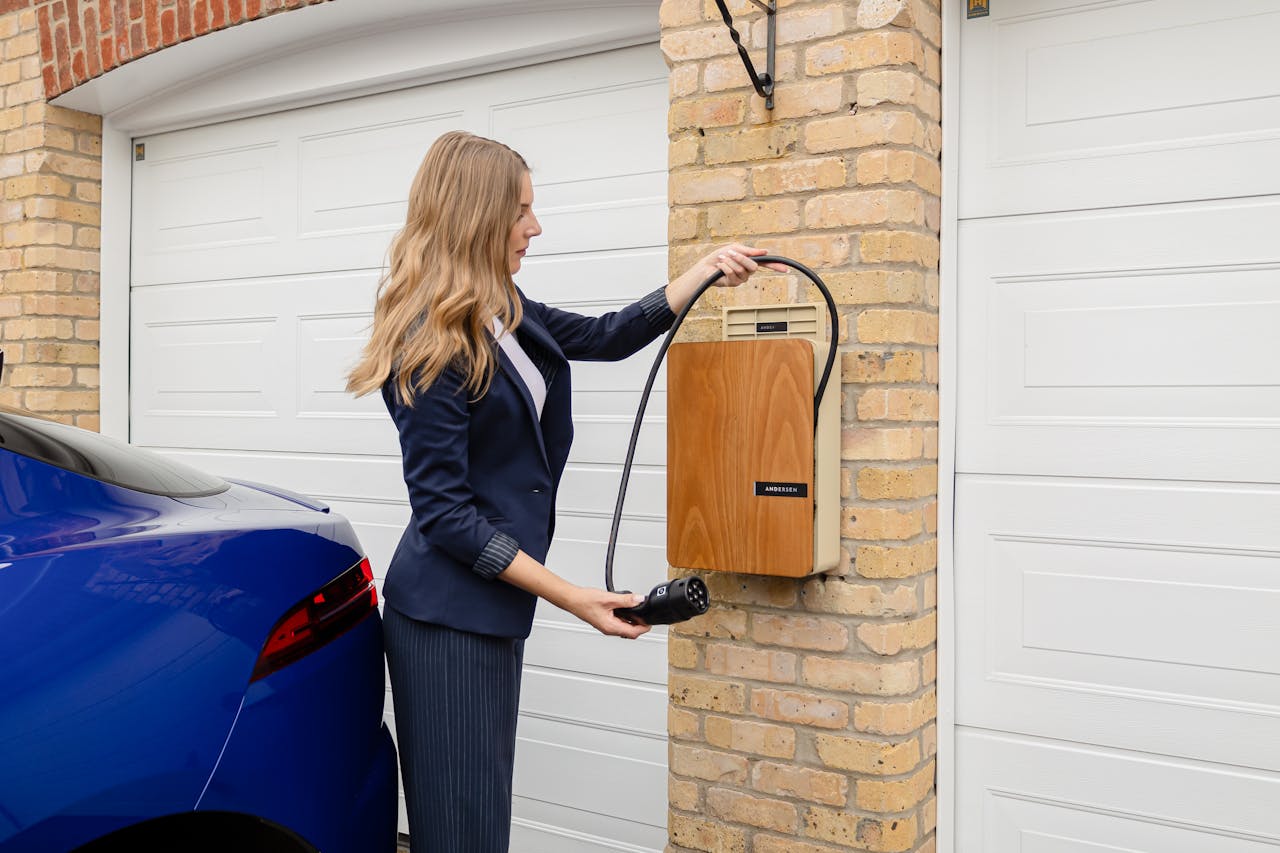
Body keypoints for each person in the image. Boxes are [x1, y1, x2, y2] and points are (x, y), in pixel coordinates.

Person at [346, 130, 785, 853]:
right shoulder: (431, 341)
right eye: (522, 210)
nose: (535, 227)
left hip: (487, 612)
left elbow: (610, 334)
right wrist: (574, 596)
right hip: (447, 621)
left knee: (477, 818)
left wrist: (702, 271)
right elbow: (446, 516)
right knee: (462, 830)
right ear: (478, 215)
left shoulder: (500, 309)